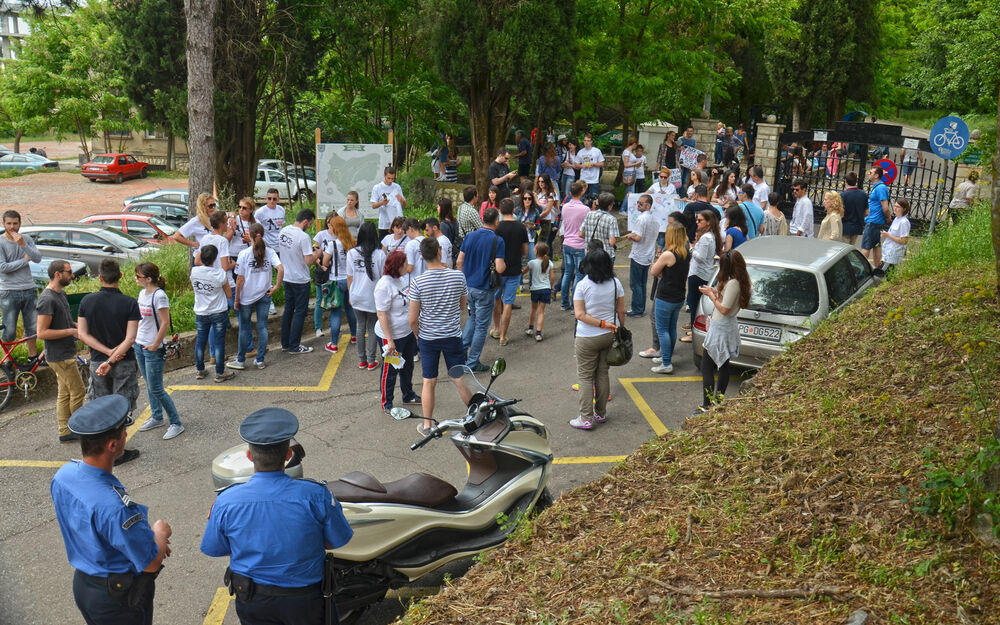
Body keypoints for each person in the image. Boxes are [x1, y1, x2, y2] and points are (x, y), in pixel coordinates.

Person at [200, 407, 353, 625]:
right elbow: (337, 540)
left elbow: (216, 548)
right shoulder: (316, 495)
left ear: (249, 456)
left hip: (253, 600)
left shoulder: (226, 501)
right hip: (306, 601)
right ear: (289, 455)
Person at [51, 395, 173, 625]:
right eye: (123, 433)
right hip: (116, 597)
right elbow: (150, 562)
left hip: (84, 586)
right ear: (112, 445)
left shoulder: (63, 475)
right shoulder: (115, 507)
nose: (127, 435)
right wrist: (160, 532)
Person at [77, 259, 142, 466]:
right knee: (121, 407)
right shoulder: (130, 303)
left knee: (100, 407)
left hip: (97, 361)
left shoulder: (87, 301)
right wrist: (114, 356)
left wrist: (106, 354)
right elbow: (130, 338)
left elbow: (82, 334)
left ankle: (101, 452)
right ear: (120, 276)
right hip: (123, 362)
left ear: (100, 277)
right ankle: (119, 452)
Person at [409, 237, 472, 435]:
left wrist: (419, 336)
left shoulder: (417, 282)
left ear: (421, 256)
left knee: (429, 381)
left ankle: (428, 426)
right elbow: (463, 306)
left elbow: (412, 319)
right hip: (452, 335)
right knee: (458, 378)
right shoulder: (457, 277)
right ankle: (475, 416)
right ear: (439, 251)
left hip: (428, 338)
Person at [570, 249, 625, 430]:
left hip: (587, 336)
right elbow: (621, 311)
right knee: (602, 373)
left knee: (585, 377)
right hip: (609, 336)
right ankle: (600, 413)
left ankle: (585, 418)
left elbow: (579, 314)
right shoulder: (616, 283)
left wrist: (601, 324)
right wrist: (617, 327)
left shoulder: (582, 285)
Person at [695, 250, 750, 416]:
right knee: (723, 365)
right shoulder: (738, 281)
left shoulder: (733, 283)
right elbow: (727, 301)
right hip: (725, 326)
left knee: (707, 366)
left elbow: (724, 309)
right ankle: (717, 402)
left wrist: (712, 296)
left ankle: (707, 405)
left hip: (721, 327)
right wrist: (715, 292)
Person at [132, 263, 183, 440]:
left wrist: (155, 344)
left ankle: (176, 423)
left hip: (153, 348)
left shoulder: (159, 296)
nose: (135, 279)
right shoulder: (142, 293)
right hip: (139, 345)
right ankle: (157, 417)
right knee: (149, 385)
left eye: (138, 276)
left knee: (157, 388)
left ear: (148, 278)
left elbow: (165, 323)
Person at [36, 260, 85, 442]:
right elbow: (42, 332)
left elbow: (63, 322)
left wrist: (75, 326)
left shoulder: (60, 293)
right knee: (78, 391)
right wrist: (72, 331)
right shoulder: (47, 300)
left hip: (65, 353)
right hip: (60, 357)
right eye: (69, 272)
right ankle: (79, 428)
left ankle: (65, 431)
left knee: (64, 393)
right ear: (58, 274)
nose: (72, 275)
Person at [229, 224, 283, 371]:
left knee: (244, 328)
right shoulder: (270, 252)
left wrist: (236, 299)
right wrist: (276, 286)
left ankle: (240, 360)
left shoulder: (244, 254)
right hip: (265, 294)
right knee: (262, 326)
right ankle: (260, 360)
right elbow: (280, 269)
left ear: (250, 236)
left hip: (247, 297)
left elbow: (240, 279)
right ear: (262, 234)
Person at [458, 208, 506, 372]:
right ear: (496, 222)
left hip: (468, 285)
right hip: (484, 288)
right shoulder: (497, 240)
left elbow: (459, 260)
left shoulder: (470, 236)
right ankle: (472, 362)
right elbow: (499, 268)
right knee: (481, 326)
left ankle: (460, 354)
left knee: (472, 319)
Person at [374, 250, 419, 413]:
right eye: (405, 263)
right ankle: (387, 402)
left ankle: (408, 394)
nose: (408, 266)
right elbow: (381, 314)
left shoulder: (401, 279)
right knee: (391, 370)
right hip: (391, 337)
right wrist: (390, 340)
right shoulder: (384, 285)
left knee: (407, 367)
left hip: (406, 333)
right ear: (397, 266)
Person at [0, 210, 42, 362]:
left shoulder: (26, 239)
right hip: (9, 291)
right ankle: (7, 360)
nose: (12, 227)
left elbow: (37, 258)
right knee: (9, 330)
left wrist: (23, 245)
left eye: (15, 224)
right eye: (9, 224)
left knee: (32, 327)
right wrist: (24, 261)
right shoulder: (1, 242)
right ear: (3, 224)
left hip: (29, 288)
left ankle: (33, 357)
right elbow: (3, 267)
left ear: (20, 223)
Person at [649, 222, 690, 374]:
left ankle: (666, 363)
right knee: (671, 327)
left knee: (662, 330)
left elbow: (654, 271)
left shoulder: (668, 254)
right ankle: (666, 357)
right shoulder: (686, 251)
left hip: (665, 296)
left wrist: (656, 265)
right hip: (678, 295)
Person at [191, 245, 235, 383]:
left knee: (200, 341)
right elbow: (228, 294)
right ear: (215, 258)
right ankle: (220, 373)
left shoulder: (194, 272)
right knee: (219, 343)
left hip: (201, 311)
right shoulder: (220, 274)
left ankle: (200, 370)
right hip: (218, 311)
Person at [279, 209, 321, 355]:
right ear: (305, 221)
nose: (310, 226)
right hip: (300, 279)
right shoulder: (303, 237)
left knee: (288, 310)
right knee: (300, 312)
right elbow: (308, 260)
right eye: (310, 223)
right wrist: (318, 254)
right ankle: (294, 345)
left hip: (286, 277)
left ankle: (285, 343)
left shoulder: (284, 231)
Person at [347, 222, 387, 370]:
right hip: (373, 297)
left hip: (356, 295)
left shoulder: (352, 253)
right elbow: (384, 277)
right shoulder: (380, 254)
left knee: (360, 326)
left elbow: (350, 277)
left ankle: (361, 360)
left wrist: (350, 296)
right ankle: (371, 361)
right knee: (371, 328)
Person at [315, 216, 357, 348]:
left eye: (331, 226)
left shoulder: (333, 244)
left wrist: (327, 260)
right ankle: (354, 336)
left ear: (336, 228)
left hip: (336, 280)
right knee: (350, 309)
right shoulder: (352, 243)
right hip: (350, 280)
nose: (330, 228)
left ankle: (333, 343)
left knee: (336, 312)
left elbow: (325, 262)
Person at [680, 210, 721, 345]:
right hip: (701, 273)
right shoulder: (710, 236)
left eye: (700, 220)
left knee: (693, 303)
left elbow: (701, 257)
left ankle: (694, 332)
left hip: (699, 274)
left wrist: (691, 248)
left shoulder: (706, 238)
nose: (697, 222)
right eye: (697, 220)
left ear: (708, 222)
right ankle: (694, 329)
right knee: (695, 302)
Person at [491, 198, 528, 346]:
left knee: (496, 299)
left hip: (499, 270)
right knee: (508, 303)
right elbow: (525, 251)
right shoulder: (520, 227)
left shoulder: (497, 228)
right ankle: (503, 337)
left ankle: (497, 328)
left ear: (500, 210)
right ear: (514, 210)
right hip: (514, 269)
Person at [558, 181, 591, 310]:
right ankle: (574, 304)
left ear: (570, 193)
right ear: (582, 191)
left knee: (567, 273)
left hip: (567, 242)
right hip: (579, 245)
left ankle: (564, 302)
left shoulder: (565, 207)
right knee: (579, 274)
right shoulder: (585, 209)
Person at [624, 194, 658, 317]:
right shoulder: (654, 219)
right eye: (638, 203)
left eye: (641, 203)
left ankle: (637, 308)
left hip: (639, 254)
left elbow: (638, 237)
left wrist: (630, 236)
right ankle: (640, 307)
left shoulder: (641, 219)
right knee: (642, 284)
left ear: (648, 205)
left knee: (635, 284)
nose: (638, 205)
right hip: (648, 254)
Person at [523, 241, 555, 341]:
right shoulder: (549, 263)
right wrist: (551, 286)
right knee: (541, 312)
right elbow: (552, 277)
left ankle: (530, 328)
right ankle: (538, 333)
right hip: (545, 289)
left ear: (536, 251)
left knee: (533, 309)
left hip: (535, 290)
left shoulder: (532, 263)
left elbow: (523, 272)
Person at [862, 165, 891, 266]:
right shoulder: (878, 187)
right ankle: (877, 267)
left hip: (873, 221)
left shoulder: (880, 188)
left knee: (866, 247)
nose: (869, 174)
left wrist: (888, 217)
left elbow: (885, 207)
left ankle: (861, 270)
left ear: (876, 175)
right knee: (876, 245)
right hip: (875, 221)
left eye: (871, 173)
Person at [579, 192, 619, 261]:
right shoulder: (611, 219)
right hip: (605, 255)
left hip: (590, 254)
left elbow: (581, 234)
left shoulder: (589, 214)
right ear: (609, 206)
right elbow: (612, 242)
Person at [372, 166, 407, 239]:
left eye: (392, 178)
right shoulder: (377, 187)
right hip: (384, 223)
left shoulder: (397, 187)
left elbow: (404, 205)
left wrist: (402, 200)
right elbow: (373, 205)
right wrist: (382, 203)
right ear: (384, 175)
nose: (390, 180)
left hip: (397, 224)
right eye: (389, 178)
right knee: (384, 246)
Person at [879, 199, 911, 275]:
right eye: (894, 206)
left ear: (904, 209)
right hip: (889, 251)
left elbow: (904, 241)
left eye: (898, 207)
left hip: (894, 253)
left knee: (886, 273)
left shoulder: (904, 222)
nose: (895, 208)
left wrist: (888, 235)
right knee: (885, 272)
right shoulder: (897, 219)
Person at [574, 133, 605, 204]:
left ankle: (593, 213)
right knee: (582, 199)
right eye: (585, 140)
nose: (586, 142)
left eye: (588, 141)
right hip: (583, 179)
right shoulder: (581, 152)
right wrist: (583, 166)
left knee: (594, 199)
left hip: (594, 179)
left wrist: (594, 164)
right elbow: (576, 165)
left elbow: (602, 163)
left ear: (591, 141)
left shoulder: (597, 151)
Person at [840, 172, 867, 245]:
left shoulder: (843, 195)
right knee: (851, 247)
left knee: (843, 249)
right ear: (856, 181)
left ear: (846, 181)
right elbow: (867, 212)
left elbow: (840, 212)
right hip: (857, 226)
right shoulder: (863, 194)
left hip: (845, 226)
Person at [535, 174, 560, 246]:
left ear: (547, 182)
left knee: (546, 243)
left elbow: (548, 210)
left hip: (550, 220)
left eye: (542, 181)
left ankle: (549, 257)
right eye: (539, 181)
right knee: (538, 242)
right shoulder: (538, 192)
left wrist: (537, 218)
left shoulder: (551, 193)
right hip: (540, 220)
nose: (540, 183)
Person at [401, 218, 427, 285]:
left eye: (405, 232)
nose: (406, 235)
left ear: (410, 229)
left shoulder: (410, 244)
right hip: (426, 280)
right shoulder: (428, 241)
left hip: (414, 282)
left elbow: (410, 268)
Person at [436, 197, 459, 265]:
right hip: (455, 252)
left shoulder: (443, 224)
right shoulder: (454, 221)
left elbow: (444, 242)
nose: (437, 208)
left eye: (438, 207)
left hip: (448, 256)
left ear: (442, 208)